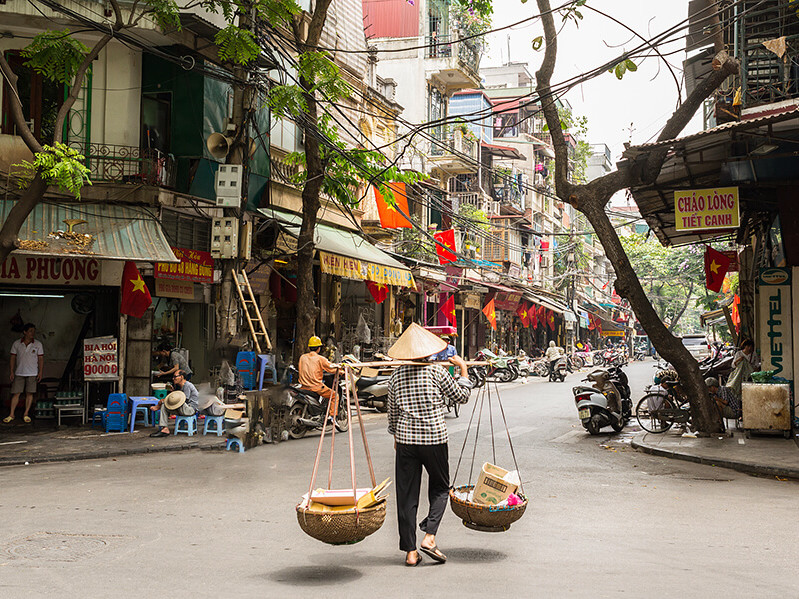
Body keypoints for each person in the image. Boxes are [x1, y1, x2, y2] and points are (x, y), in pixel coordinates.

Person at [386, 323, 472, 567]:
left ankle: (411, 552)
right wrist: (463, 368)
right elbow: (462, 396)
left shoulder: (396, 376)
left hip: (405, 441)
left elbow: (392, 414)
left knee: (406, 496)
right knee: (441, 489)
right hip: (434, 439)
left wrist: (395, 435)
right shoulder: (436, 372)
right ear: (428, 352)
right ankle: (430, 536)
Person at [4, 323, 44, 424]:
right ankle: (11, 414)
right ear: (24, 332)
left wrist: (40, 372)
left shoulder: (38, 344)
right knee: (16, 393)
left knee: (29, 394)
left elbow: (41, 359)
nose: (32, 333)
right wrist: (12, 371)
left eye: (33, 331)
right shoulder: (16, 344)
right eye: (30, 331)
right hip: (19, 372)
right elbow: (13, 357)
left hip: (32, 372)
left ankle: (26, 414)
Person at [149, 370, 198, 437]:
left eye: (175, 377)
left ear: (181, 377)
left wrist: (166, 400)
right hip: (183, 408)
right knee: (164, 406)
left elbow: (184, 400)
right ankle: (165, 429)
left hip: (190, 409)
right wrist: (173, 392)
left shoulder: (187, 385)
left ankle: (158, 405)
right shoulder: (180, 386)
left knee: (165, 402)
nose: (173, 378)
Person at [298, 335, 340, 400]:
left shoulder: (302, 357)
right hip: (316, 387)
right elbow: (331, 369)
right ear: (319, 348)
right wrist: (343, 371)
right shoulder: (320, 359)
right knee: (335, 396)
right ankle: (331, 411)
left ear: (309, 347)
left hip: (304, 386)